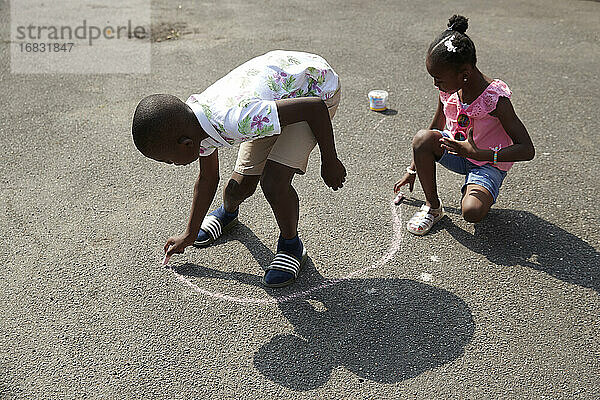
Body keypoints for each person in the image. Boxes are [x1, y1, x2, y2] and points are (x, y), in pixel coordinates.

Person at [132, 50, 346, 287]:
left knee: (274, 182)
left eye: (169, 161)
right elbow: (208, 179)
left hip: (316, 90)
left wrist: (330, 160)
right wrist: (189, 233)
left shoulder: (236, 119)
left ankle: (291, 245)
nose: (172, 166)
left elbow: (314, 108)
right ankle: (228, 214)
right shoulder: (194, 123)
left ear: (186, 145)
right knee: (238, 188)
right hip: (275, 99)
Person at [394, 15, 535, 236]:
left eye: (439, 79)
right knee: (422, 138)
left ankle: (478, 188)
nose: (435, 84)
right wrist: (413, 168)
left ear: (465, 74)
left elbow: (527, 150)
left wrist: (479, 153)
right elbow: (436, 125)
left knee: (471, 212)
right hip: (457, 151)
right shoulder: (450, 88)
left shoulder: (495, 99)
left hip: (488, 161)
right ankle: (433, 207)